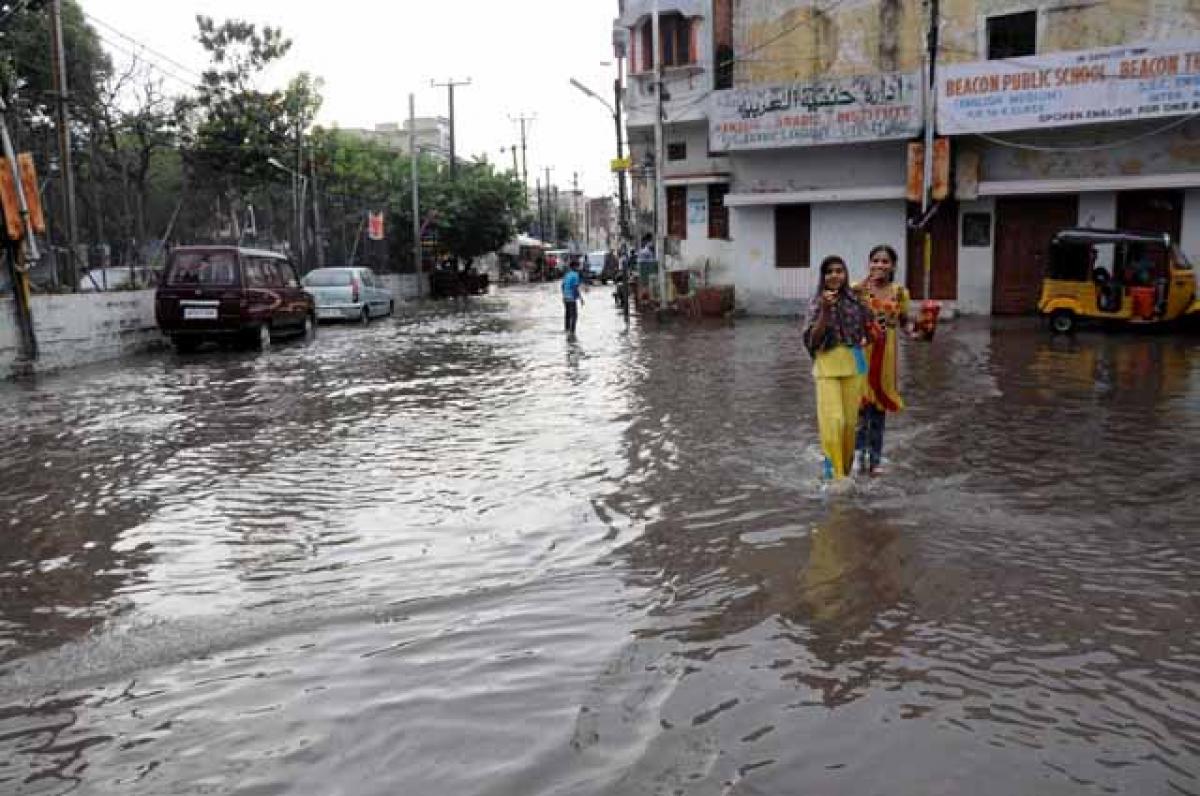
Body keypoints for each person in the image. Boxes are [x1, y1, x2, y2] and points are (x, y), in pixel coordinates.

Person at [803, 255, 871, 481]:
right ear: (823, 276)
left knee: (850, 424)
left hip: (853, 365)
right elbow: (812, 340)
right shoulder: (816, 302)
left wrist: (867, 303)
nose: (834, 275)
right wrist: (825, 310)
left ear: (845, 275)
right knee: (834, 421)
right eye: (829, 271)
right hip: (827, 367)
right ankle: (833, 474)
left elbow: (870, 332)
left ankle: (847, 470)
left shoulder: (855, 301)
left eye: (839, 271)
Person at [853, 245, 913, 477]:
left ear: (893, 266)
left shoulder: (900, 293)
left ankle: (876, 459)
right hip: (860, 353)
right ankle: (858, 455)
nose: (879, 265)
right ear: (869, 264)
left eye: (885, 261)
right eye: (875, 261)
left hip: (886, 356)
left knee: (879, 409)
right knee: (860, 406)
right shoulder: (857, 289)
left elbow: (905, 322)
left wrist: (915, 331)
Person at [562, 258, 584, 333]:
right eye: (578, 266)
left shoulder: (567, 274)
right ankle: (572, 332)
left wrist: (564, 295)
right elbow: (575, 288)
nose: (579, 268)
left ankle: (566, 329)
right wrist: (580, 298)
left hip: (565, 298)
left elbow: (562, 285)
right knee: (574, 316)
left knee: (567, 315)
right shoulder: (575, 275)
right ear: (575, 267)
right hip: (571, 298)